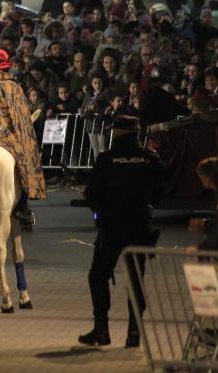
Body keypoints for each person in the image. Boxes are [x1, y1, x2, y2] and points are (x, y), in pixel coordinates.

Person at [79, 116, 163, 348]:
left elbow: (92, 193)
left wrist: (100, 212)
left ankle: (101, 329)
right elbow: (159, 194)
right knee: (136, 280)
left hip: (112, 229)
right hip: (140, 228)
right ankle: (134, 333)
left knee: (98, 276)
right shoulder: (150, 159)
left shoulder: (106, 159)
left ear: (117, 133)